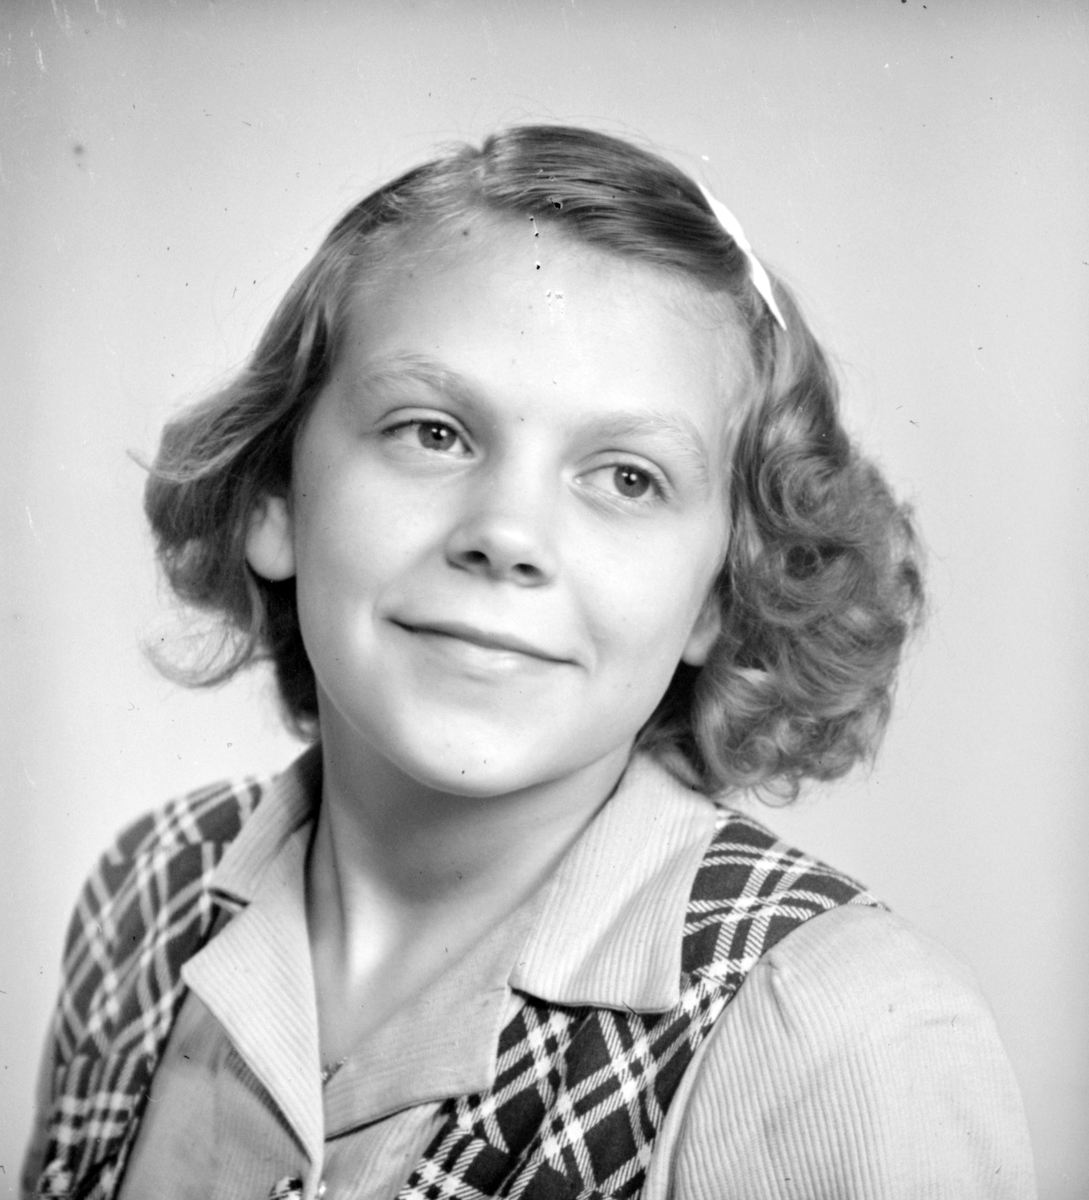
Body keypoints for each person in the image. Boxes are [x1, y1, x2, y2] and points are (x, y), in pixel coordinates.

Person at [23, 125, 1035, 1199]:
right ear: (275, 496)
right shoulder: (149, 889)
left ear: (719, 595)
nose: (507, 535)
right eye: (431, 432)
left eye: (628, 478)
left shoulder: (832, 1035)